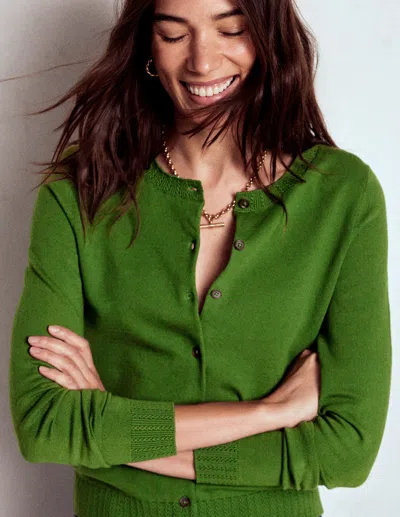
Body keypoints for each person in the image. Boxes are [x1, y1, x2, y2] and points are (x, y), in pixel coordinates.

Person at [9, 1, 391, 517]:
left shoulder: (343, 196)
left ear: (269, 40)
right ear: (147, 45)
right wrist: (269, 413)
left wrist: (111, 433)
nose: (202, 63)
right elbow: (46, 425)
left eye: (231, 30)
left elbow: (347, 452)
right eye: (173, 35)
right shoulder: (80, 190)